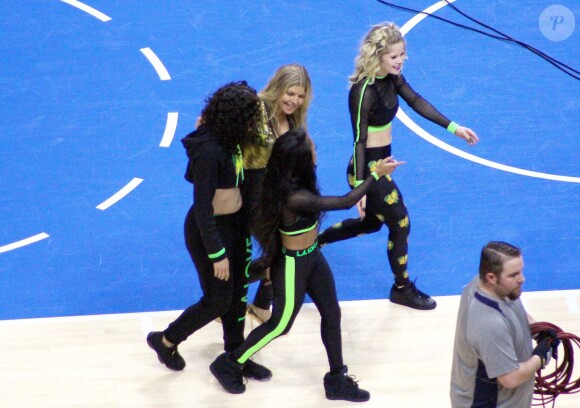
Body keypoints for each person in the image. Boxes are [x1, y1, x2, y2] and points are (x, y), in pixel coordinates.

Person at [209, 129, 404, 401]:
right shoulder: (293, 197)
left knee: (332, 314)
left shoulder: (295, 183)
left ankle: (336, 379)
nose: (316, 153)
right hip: (292, 265)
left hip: (312, 257)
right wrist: (376, 173)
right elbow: (345, 202)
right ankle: (229, 363)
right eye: (313, 150)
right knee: (280, 325)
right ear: (300, 161)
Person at [318, 22, 480, 310]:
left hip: (382, 165)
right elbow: (359, 140)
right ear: (378, 55)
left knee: (371, 224)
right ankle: (401, 287)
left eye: (403, 54)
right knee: (401, 223)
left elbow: (417, 101)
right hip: (369, 169)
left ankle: (316, 242)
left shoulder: (392, 78)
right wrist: (360, 187)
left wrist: (454, 128)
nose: (401, 60)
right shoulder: (362, 91)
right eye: (394, 56)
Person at [146, 81, 271, 382]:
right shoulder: (209, 151)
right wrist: (217, 253)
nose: (257, 120)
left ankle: (235, 355)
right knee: (217, 299)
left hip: (236, 226)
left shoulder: (233, 138)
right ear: (236, 117)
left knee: (237, 296)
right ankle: (165, 341)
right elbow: (202, 208)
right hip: (209, 231)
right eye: (252, 115)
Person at [450, 241, 560, 407]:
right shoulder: (488, 323)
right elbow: (510, 377)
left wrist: (538, 330)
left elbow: (514, 312)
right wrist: (541, 357)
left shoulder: (493, 287)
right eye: (513, 275)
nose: (522, 279)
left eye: (521, 271)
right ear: (491, 277)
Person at [243, 64, 313, 324]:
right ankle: (227, 294)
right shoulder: (256, 109)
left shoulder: (295, 118)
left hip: (278, 197)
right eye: (289, 93)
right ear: (277, 89)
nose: (294, 101)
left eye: (300, 95)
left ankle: (261, 303)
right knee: (281, 252)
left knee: (279, 252)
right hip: (251, 195)